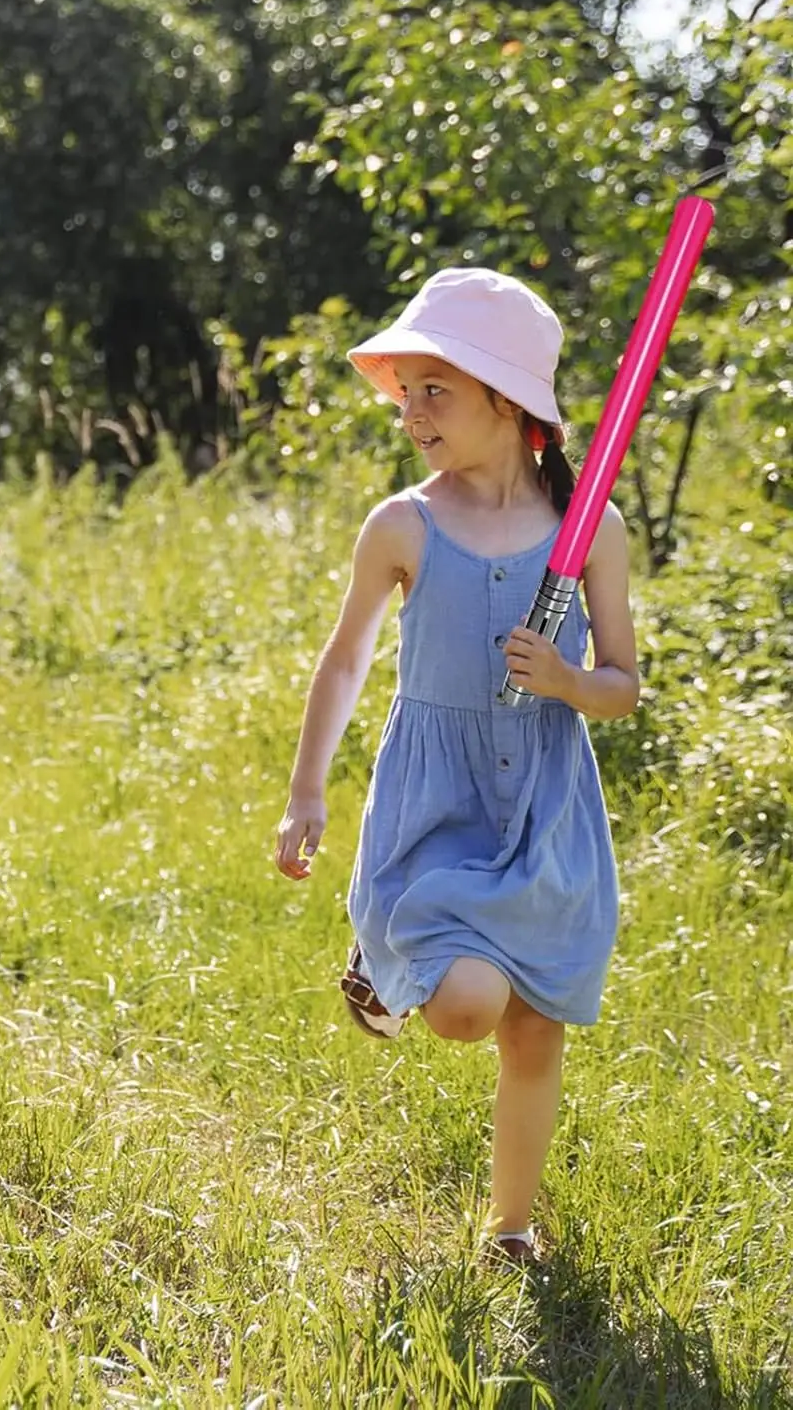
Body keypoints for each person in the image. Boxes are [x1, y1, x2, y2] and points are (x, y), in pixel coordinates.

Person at [273, 267, 640, 1265]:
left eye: (433, 387)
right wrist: (306, 789)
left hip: (546, 806)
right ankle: (386, 950)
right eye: (405, 388)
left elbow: (622, 685)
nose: (408, 409)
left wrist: (566, 678)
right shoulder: (402, 523)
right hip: (437, 807)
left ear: (502, 399)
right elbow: (344, 656)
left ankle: (508, 1226)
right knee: (469, 1005)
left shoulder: (586, 529)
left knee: (533, 1029)